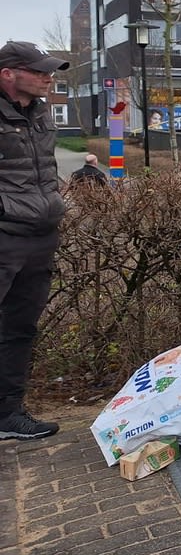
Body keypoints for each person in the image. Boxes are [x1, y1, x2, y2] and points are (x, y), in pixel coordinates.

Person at [0, 40, 70, 440]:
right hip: (5, 236)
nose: (48, 78)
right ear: (9, 73)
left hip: (40, 237)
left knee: (20, 329)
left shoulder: (41, 113)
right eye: (39, 71)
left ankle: (8, 414)